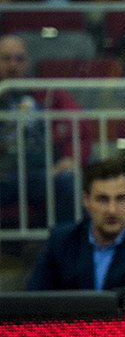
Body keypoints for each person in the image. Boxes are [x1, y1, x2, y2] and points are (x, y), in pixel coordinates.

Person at [26, 156, 125, 290]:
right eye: (103, 199)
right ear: (86, 200)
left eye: (120, 198)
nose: (112, 210)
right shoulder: (61, 243)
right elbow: (35, 303)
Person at [0, 34, 79, 226]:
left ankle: (64, 250)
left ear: (27, 64)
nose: (12, 65)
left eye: (19, 59)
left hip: (41, 173)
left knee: (70, 182)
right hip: (3, 176)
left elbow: (79, 126)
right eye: (6, 59)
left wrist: (70, 158)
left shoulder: (47, 92)